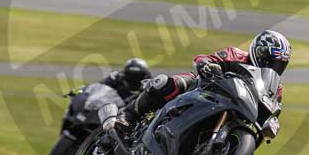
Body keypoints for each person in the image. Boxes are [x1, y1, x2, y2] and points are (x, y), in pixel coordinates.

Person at [113, 30, 291, 131]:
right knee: (166, 83)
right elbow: (203, 58)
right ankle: (128, 115)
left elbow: (275, 109)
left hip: (235, 111)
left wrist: (272, 119)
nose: (274, 67)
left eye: (279, 64)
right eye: (271, 61)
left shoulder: (277, 88)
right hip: (205, 89)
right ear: (258, 52)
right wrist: (207, 65)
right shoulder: (236, 55)